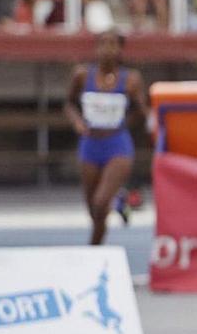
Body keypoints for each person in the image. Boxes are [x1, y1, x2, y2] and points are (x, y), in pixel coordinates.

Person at [64, 30, 149, 245]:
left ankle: (94, 249)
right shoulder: (82, 75)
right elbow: (69, 103)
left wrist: (124, 124)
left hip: (117, 144)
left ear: (120, 50)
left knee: (101, 202)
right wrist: (77, 121)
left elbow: (141, 110)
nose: (107, 49)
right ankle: (120, 201)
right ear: (96, 48)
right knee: (93, 209)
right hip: (90, 143)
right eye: (103, 44)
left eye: (113, 45)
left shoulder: (130, 79)